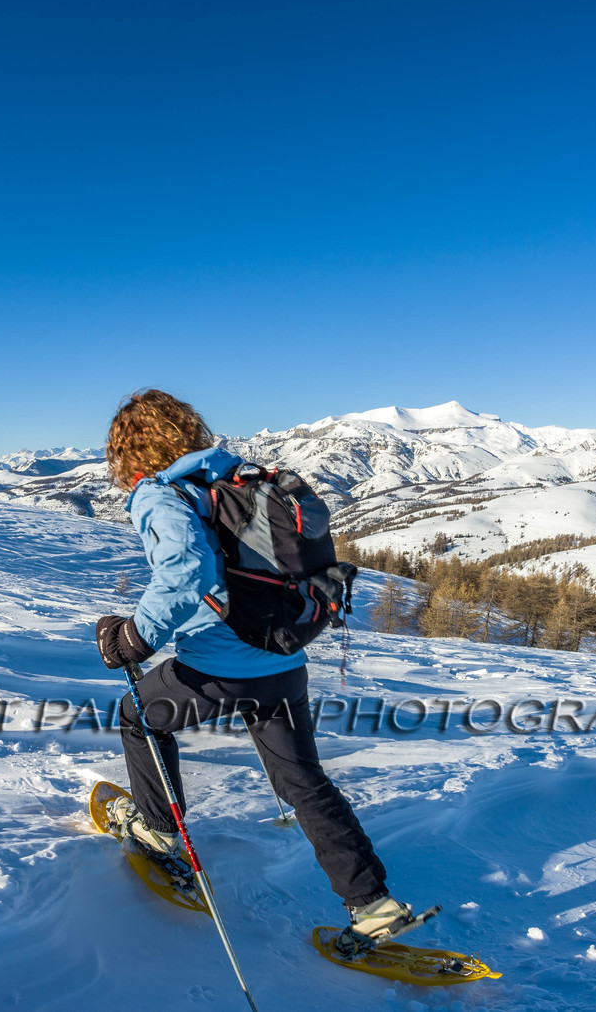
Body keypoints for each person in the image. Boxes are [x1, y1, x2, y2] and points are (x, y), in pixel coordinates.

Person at [94, 389, 425, 956]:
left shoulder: (162, 492)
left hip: (220, 664)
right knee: (302, 779)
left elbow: (186, 569)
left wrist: (135, 636)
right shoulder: (238, 478)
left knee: (138, 716)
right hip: (284, 659)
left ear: (130, 452)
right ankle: (373, 904)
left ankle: (158, 832)